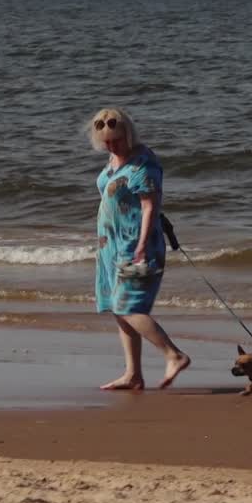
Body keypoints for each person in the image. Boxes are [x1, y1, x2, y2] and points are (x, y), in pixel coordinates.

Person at [88, 108, 191, 390]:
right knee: (117, 308)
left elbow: (149, 206)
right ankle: (133, 373)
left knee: (128, 306)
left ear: (128, 134)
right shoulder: (113, 160)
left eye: (116, 140)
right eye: (106, 142)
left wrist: (143, 244)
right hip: (111, 246)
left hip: (136, 245)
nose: (112, 146)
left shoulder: (143, 164)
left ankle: (174, 355)